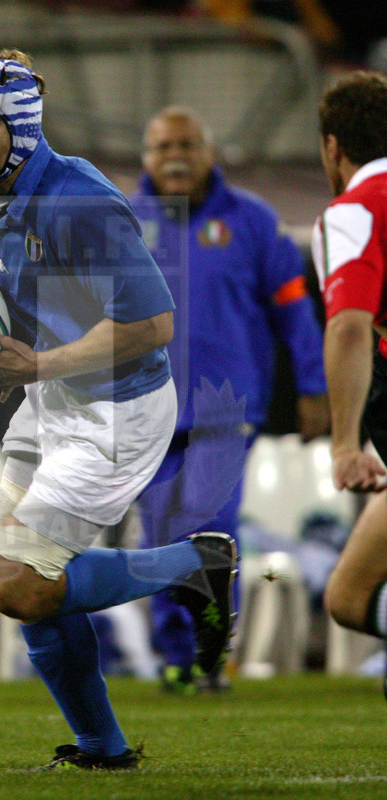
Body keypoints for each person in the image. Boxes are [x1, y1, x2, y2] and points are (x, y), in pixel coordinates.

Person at [0, 48, 238, 770]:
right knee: (28, 590)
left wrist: (37, 362)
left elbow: (154, 327)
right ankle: (103, 747)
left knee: (13, 581)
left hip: (118, 411)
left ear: (20, 126)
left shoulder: (79, 200)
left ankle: (189, 567)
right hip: (48, 396)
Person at [131, 105, 329, 693]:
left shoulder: (254, 222)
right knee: (159, 538)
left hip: (224, 413)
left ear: (209, 153)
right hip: (145, 413)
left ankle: (210, 656)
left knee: (211, 536)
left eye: (187, 145)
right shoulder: (122, 221)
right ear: (146, 157)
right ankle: (175, 658)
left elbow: (295, 310)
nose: (175, 156)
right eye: (163, 146)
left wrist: (316, 385)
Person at [312, 72, 387, 683]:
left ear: (333, 147)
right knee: (348, 595)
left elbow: (350, 328)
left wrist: (344, 444)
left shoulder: (354, 213)